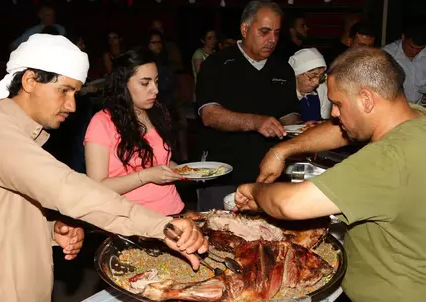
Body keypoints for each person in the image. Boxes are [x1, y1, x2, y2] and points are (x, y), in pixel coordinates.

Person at [0, 34, 208, 302]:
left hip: (20, 293)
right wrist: (161, 227)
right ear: (29, 81)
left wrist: (50, 231)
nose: (72, 105)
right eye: (64, 90)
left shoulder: (21, 135)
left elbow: (1, 214)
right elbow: (65, 188)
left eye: (75, 93)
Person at [236, 47, 426, 302]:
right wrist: (281, 151)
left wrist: (256, 190)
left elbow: (289, 204)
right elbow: (342, 132)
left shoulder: (389, 158)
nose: (334, 113)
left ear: (366, 99)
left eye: (338, 103)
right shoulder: (418, 118)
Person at [195, 0, 300, 210]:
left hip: (269, 174)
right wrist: (256, 122)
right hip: (224, 173)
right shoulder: (217, 64)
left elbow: (290, 115)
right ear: (244, 28)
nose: (272, 40)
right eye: (265, 32)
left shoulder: (283, 69)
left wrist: (298, 128)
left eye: (277, 33)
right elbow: (209, 114)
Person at [84, 49, 184, 216]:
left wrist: (181, 170)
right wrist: (146, 176)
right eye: (145, 83)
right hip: (131, 221)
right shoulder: (102, 122)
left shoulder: (158, 112)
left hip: (173, 211)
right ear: (123, 84)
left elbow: (161, 161)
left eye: (156, 81)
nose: (155, 90)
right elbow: (97, 185)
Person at [383, 23, 426, 104]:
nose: (415, 52)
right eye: (411, 47)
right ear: (403, 37)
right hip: (395, 109)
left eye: (420, 49)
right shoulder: (387, 55)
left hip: (421, 108)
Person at [288, 48, 331, 121]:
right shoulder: (285, 94)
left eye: (320, 76)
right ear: (297, 74)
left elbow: (326, 120)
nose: (317, 82)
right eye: (312, 76)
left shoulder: (322, 89)